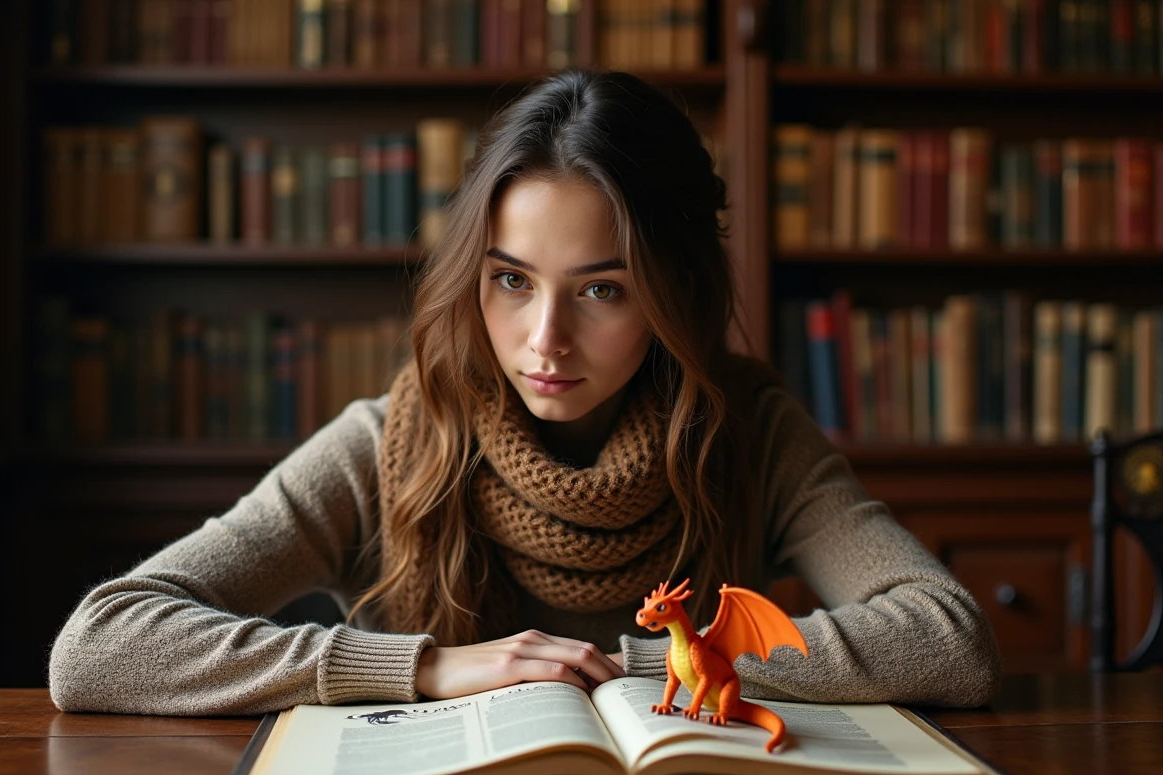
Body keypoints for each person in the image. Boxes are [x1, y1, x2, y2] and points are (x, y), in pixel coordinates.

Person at [49, 68, 1001, 716]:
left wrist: (638, 667)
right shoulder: (387, 442)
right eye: (510, 279)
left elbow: (948, 639)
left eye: (602, 289)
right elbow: (100, 644)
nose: (544, 339)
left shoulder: (744, 430)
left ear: (675, 293)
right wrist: (423, 667)